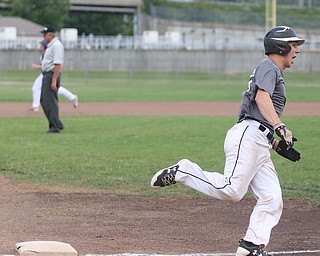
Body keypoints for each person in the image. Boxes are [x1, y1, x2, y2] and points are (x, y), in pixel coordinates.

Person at [150, 26, 303, 256]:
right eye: (293, 45)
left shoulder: (272, 71)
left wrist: (274, 142)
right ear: (280, 47)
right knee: (232, 190)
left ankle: (251, 245)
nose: (297, 50)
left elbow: (258, 114)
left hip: (258, 140)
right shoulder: (269, 67)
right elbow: (261, 99)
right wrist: (280, 126)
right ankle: (184, 170)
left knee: (272, 198)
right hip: (248, 136)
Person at [30, 40, 78, 112]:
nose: (40, 46)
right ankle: (72, 97)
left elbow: (55, 65)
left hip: (49, 74)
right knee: (41, 88)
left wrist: (37, 66)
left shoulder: (48, 54)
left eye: (42, 45)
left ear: (45, 46)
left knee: (42, 88)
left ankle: (35, 106)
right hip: (44, 74)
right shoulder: (43, 54)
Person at [40, 25, 65, 133]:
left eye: (44, 34)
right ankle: (57, 123)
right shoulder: (51, 45)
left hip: (51, 75)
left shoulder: (57, 46)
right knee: (43, 100)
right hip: (47, 75)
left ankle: (54, 127)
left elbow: (58, 64)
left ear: (51, 35)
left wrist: (54, 80)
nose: (43, 37)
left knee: (50, 101)